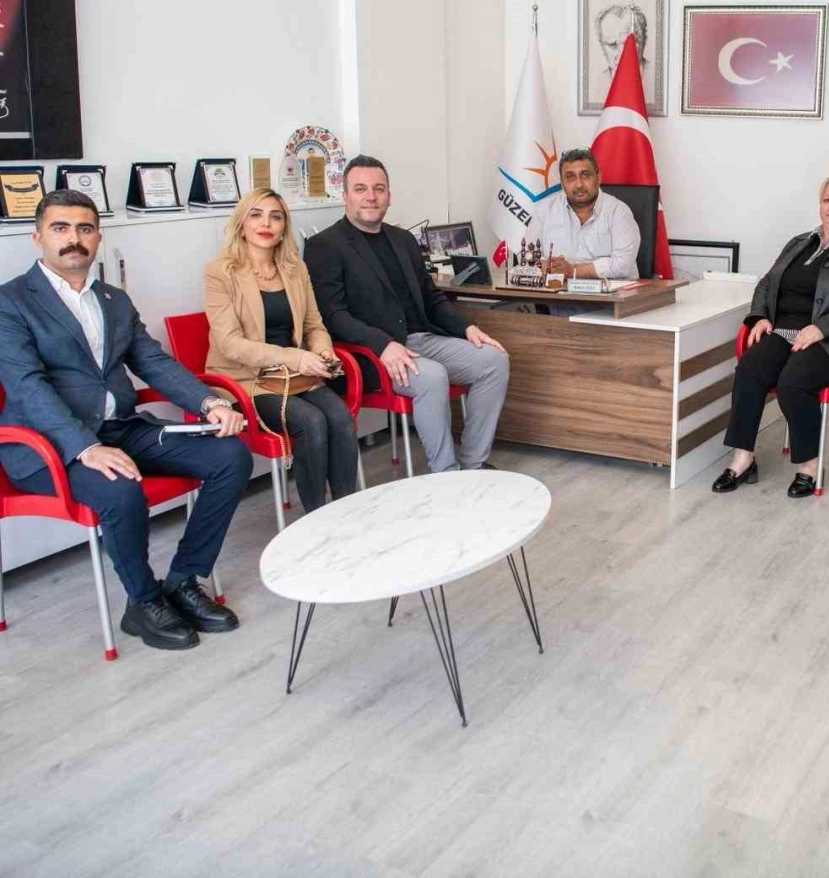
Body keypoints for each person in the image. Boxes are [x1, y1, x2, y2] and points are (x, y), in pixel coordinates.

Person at [0, 190, 250, 651]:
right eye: (60, 228)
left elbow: (152, 361)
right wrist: (87, 447)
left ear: (97, 237)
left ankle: (183, 580)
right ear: (37, 237)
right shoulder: (11, 301)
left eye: (85, 228)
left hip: (120, 429)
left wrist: (208, 403)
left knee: (230, 456)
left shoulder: (114, 299)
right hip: (49, 446)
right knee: (120, 489)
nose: (74, 239)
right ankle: (143, 601)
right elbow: (28, 388)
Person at [305, 155, 509, 473]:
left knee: (494, 361)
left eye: (378, 189)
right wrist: (382, 344)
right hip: (372, 354)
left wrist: (466, 327)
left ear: (389, 195)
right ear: (344, 196)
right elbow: (333, 315)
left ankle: (474, 465)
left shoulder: (403, 240)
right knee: (432, 376)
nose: (371, 196)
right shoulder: (325, 245)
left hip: (422, 339)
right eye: (360, 189)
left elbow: (431, 297)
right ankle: (446, 473)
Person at [712, 174, 829, 499]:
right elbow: (767, 283)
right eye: (827, 200)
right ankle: (743, 459)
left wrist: (822, 327)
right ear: (819, 205)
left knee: (793, 380)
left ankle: (809, 466)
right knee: (750, 369)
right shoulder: (799, 242)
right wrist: (760, 316)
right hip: (786, 334)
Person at [204, 189, 358, 515]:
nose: (266, 224)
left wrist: (323, 352)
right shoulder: (220, 272)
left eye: (275, 217)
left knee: (341, 418)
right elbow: (230, 344)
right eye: (256, 215)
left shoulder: (294, 269)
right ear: (241, 223)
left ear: (284, 226)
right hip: (247, 381)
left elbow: (315, 325)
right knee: (311, 422)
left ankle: (346, 513)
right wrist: (296, 357)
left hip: (294, 375)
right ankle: (316, 519)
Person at [536, 148, 641, 282]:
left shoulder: (618, 211)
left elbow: (623, 264)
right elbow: (528, 254)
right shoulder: (546, 209)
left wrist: (572, 270)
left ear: (598, 178)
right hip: (558, 291)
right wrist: (545, 266)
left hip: (613, 293)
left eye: (585, 175)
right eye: (570, 177)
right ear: (562, 184)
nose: (579, 184)